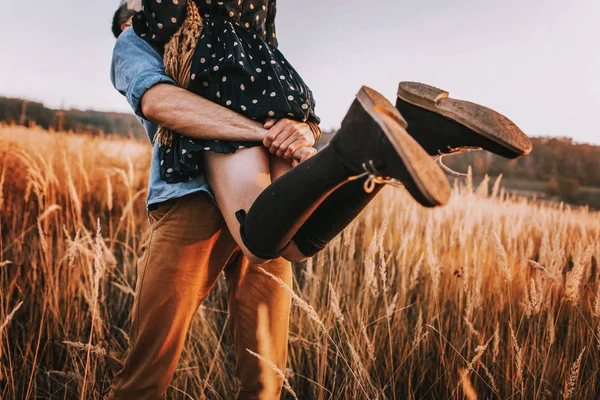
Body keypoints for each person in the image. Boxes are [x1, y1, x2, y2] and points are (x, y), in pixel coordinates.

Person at [108, 2, 532, 398]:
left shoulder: (230, 40)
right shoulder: (136, 41)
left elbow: (290, 112)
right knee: (149, 371)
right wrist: (266, 133)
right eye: (132, 13)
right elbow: (160, 101)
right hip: (193, 201)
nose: (142, 14)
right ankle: (407, 137)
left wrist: (301, 131)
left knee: (265, 369)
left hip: (266, 186)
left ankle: (379, 144)